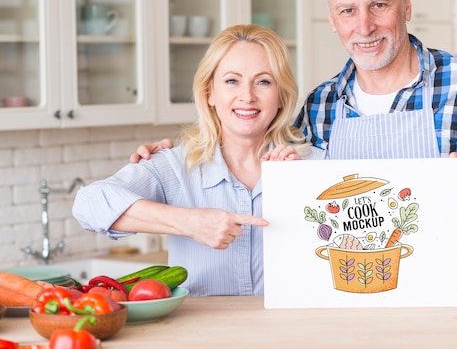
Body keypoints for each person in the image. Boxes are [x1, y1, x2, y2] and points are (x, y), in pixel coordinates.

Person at [132, 0, 457, 293]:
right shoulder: (320, 106)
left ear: (405, 5)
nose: (364, 26)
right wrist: (170, 154)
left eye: (379, 5)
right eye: (347, 10)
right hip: (357, 309)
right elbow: (267, 169)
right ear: (333, 20)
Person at [73, 24, 323, 297]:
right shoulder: (174, 166)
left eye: (263, 81)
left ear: (281, 96)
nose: (247, 96)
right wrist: (191, 222)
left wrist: (305, 189)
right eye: (231, 81)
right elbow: (88, 205)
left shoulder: (313, 165)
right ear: (210, 93)